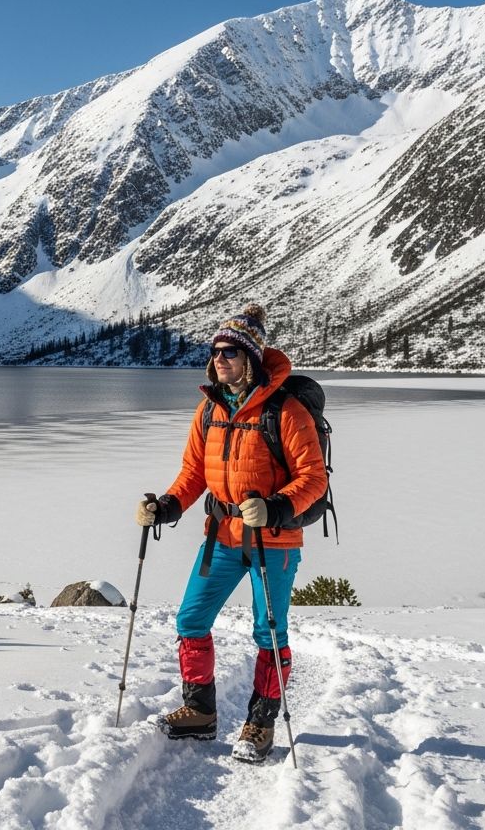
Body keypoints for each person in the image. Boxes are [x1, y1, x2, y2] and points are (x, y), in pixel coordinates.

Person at [136, 304, 326, 762]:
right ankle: (199, 713)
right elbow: (193, 473)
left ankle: (260, 723)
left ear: (252, 360)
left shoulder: (286, 410)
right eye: (216, 352)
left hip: (271, 540)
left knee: (269, 631)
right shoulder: (209, 410)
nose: (220, 359)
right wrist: (166, 506)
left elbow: (313, 478)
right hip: (221, 535)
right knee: (190, 620)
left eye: (231, 352)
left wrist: (276, 506)